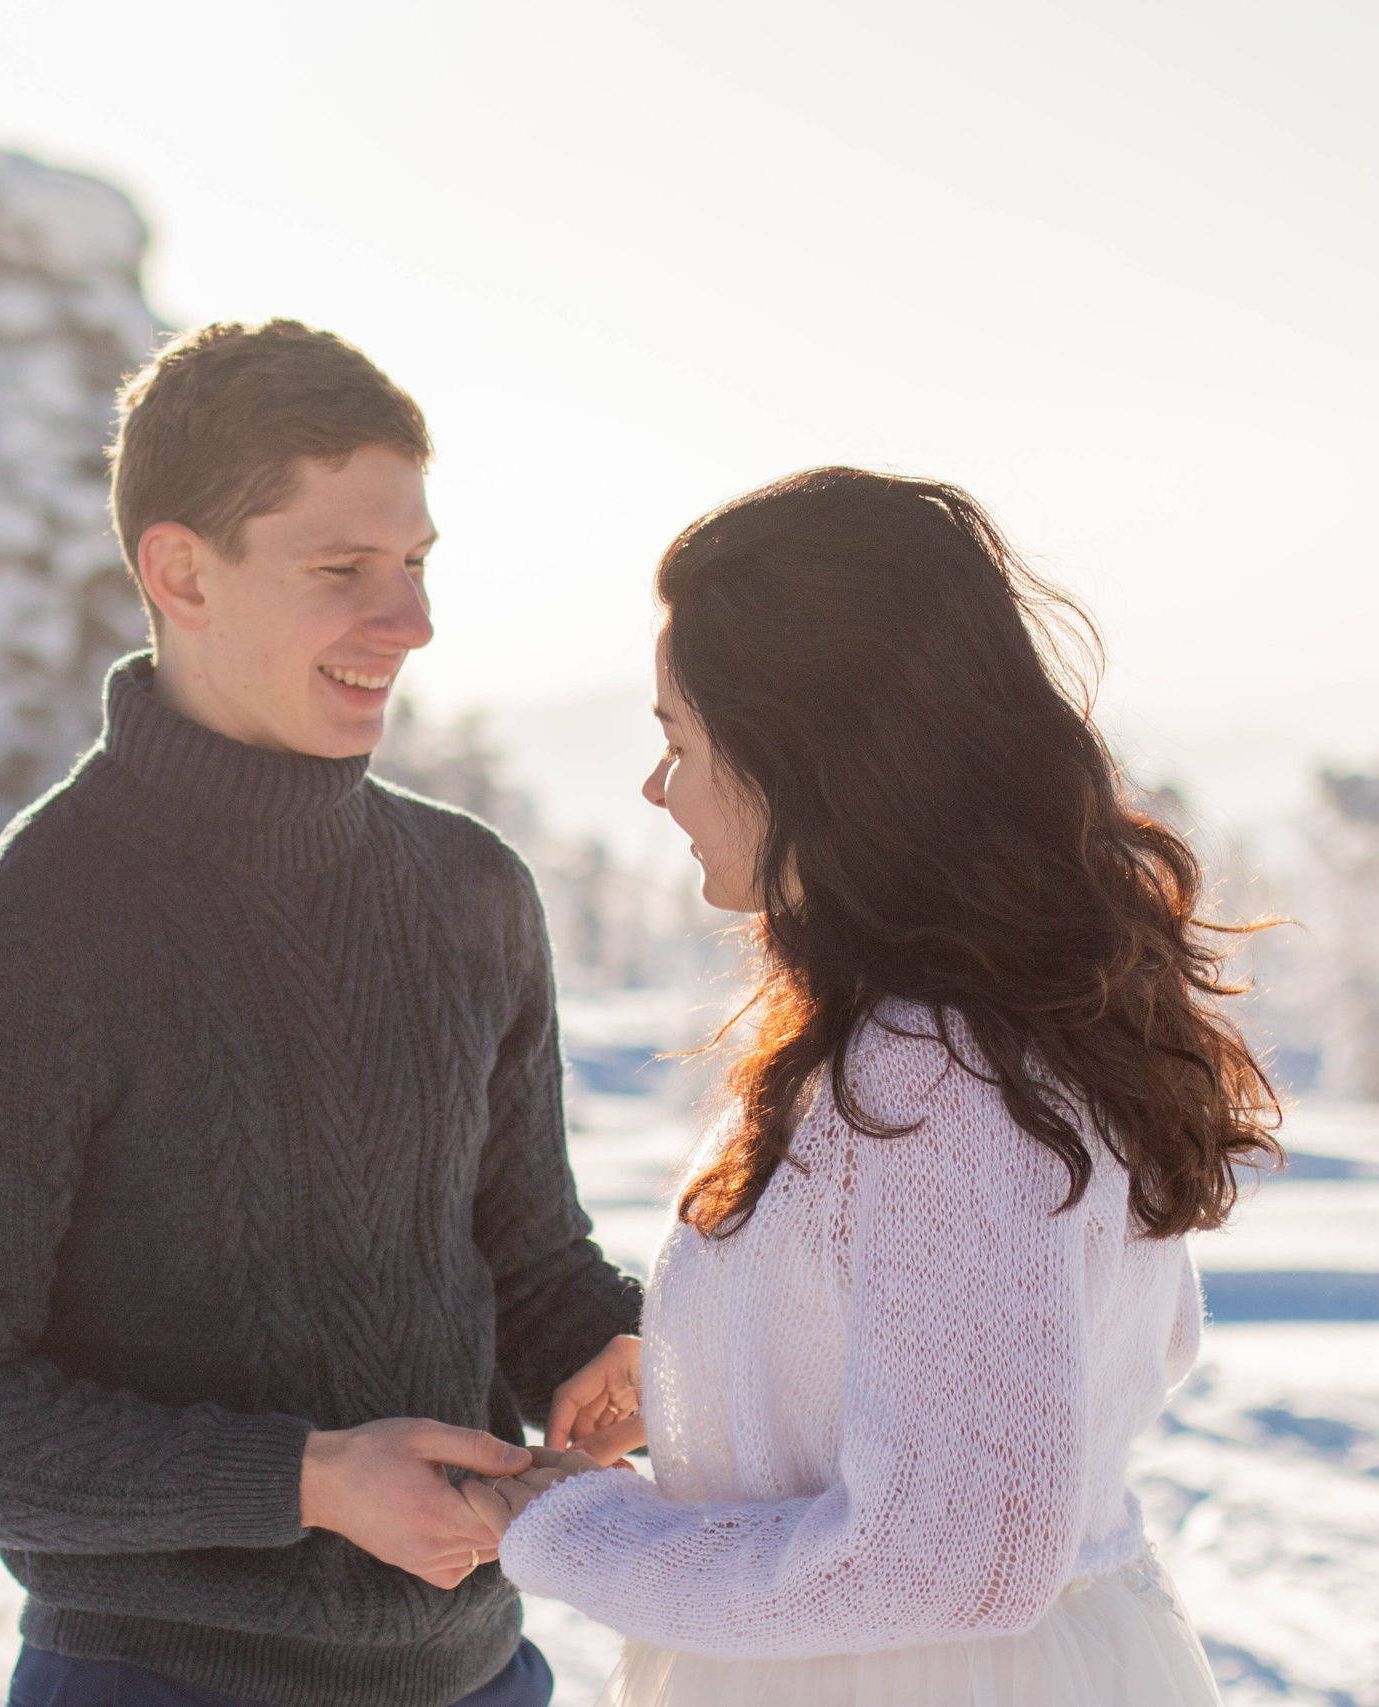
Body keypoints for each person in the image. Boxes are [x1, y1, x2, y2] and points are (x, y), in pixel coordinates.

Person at [0, 319, 644, 1707]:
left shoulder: (472, 887)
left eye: (417, 565)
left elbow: (523, 1249)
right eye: (343, 571)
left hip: (487, 1670)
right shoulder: (18, 948)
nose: (411, 622)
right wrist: (313, 1478)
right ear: (179, 569)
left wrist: (602, 1345)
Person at [461, 467, 1274, 1705]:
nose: (653, 788)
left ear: (800, 754)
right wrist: (725, 1397)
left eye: (677, 740)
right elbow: (1098, 1357)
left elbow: (959, 1553)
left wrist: (571, 1528)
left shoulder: (936, 1069)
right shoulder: (992, 1022)